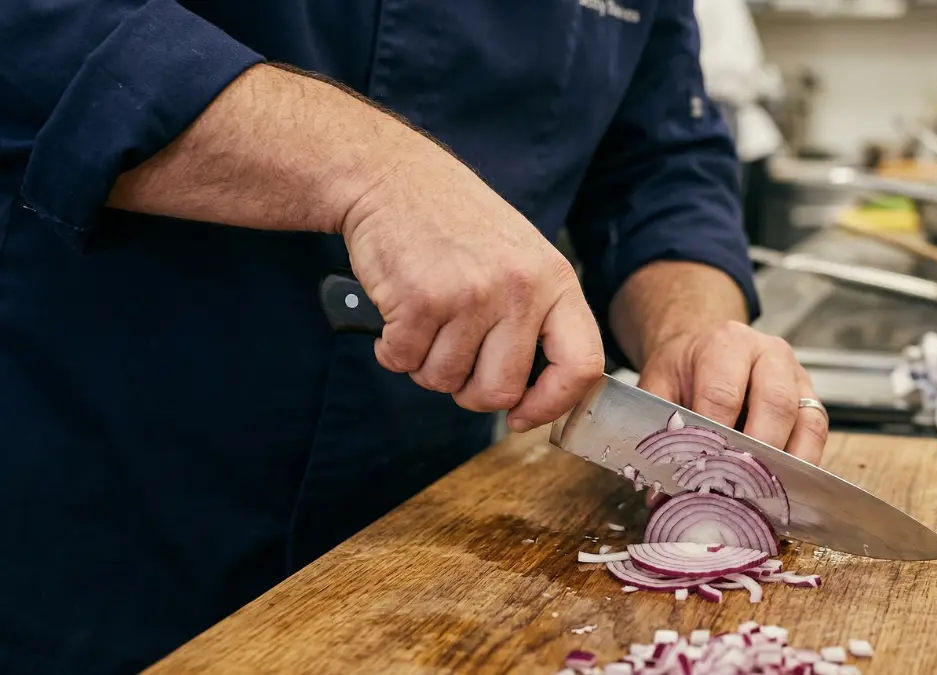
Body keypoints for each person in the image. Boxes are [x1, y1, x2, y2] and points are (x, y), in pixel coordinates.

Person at [0, 1, 829, 672]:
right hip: (83, 491)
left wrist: (691, 324)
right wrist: (373, 170)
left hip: (420, 542)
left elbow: (659, 167)